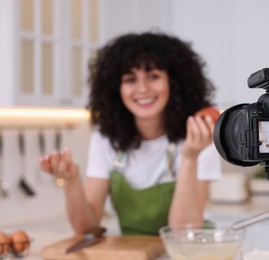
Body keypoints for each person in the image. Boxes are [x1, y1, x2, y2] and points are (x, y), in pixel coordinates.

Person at [39, 32, 221, 235]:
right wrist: (72, 181)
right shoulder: (106, 138)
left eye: (153, 76)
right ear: (116, 88)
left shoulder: (199, 136)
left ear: (174, 82)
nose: (142, 89)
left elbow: (184, 234)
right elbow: (87, 228)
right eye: (130, 79)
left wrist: (189, 158)